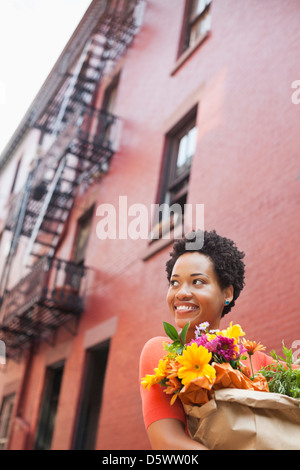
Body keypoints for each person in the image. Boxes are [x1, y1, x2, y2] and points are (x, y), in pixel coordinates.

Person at [139, 229, 273, 450]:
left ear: (227, 294)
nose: (181, 293)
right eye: (174, 283)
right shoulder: (161, 352)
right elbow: (166, 442)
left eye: (197, 282)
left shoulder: (254, 359)